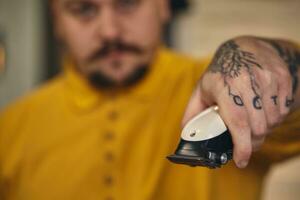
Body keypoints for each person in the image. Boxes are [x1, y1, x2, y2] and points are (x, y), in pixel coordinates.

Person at [0, 0, 300, 199]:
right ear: (57, 21)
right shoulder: (10, 128)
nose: (110, 31)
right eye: (83, 9)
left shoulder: (224, 88)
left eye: (128, 2)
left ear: (164, 6)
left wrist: (268, 58)